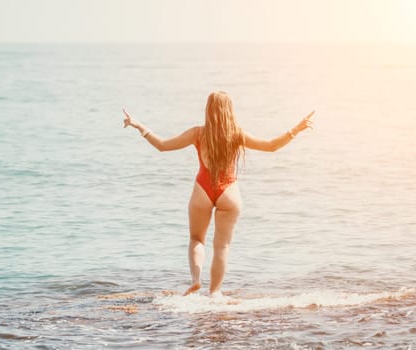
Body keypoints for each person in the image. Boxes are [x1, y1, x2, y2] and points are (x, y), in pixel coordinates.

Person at [123, 91, 314, 297]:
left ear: (208, 110)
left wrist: (138, 125)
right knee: (222, 246)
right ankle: (214, 293)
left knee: (197, 239)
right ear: (229, 111)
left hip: (202, 190)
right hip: (229, 192)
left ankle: (196, 280)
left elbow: (162, 145)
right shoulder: (237, 134)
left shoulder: (197, 133)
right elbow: (271, 146)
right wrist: (296, 129)